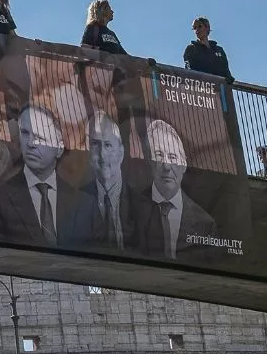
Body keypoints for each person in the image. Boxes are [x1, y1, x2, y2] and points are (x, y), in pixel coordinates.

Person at [0, 106, 97, 247]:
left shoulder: (85, 204)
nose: (30, 144)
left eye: (40, 137)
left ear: (59, 148)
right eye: (25, 133)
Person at [136, 119, 216, 260]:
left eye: (173, 157)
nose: (167, 167)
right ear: (148, 160)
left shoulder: (206, 223)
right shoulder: (132, 209)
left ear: (184, 165)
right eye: (159, 155)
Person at [84, 111, 135, 250]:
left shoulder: (141, 205)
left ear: (121, 153)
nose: (102, 154)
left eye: (108, 145)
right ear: (88, 152)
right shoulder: (77, 202)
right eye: (95, 144)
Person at [183, 16, 233, 81]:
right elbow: (189, 70)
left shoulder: (219, 50)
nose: (197, 30)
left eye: (199, 26)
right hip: (202, 85)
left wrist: (229, 78)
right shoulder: (190, 49)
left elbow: (226, 70)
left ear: (207, 28)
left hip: (219, 86)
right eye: (194, 28)